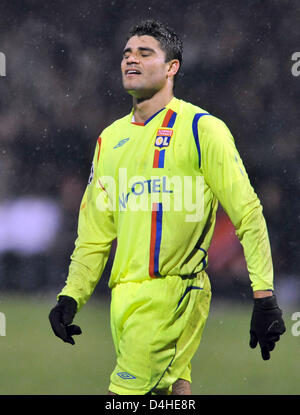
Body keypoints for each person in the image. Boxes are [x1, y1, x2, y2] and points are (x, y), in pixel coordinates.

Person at [49, 19, 286, 395]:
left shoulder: (201, 129)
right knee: (172, 394)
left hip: (173, 294)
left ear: (172, 67)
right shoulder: (110, 140)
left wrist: (264, 296)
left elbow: (247, 211)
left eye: (145, 53)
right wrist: (71, 295)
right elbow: (94, 234)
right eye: (127, 53)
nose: (131, 59)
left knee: (122, 398)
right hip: (123, 297)